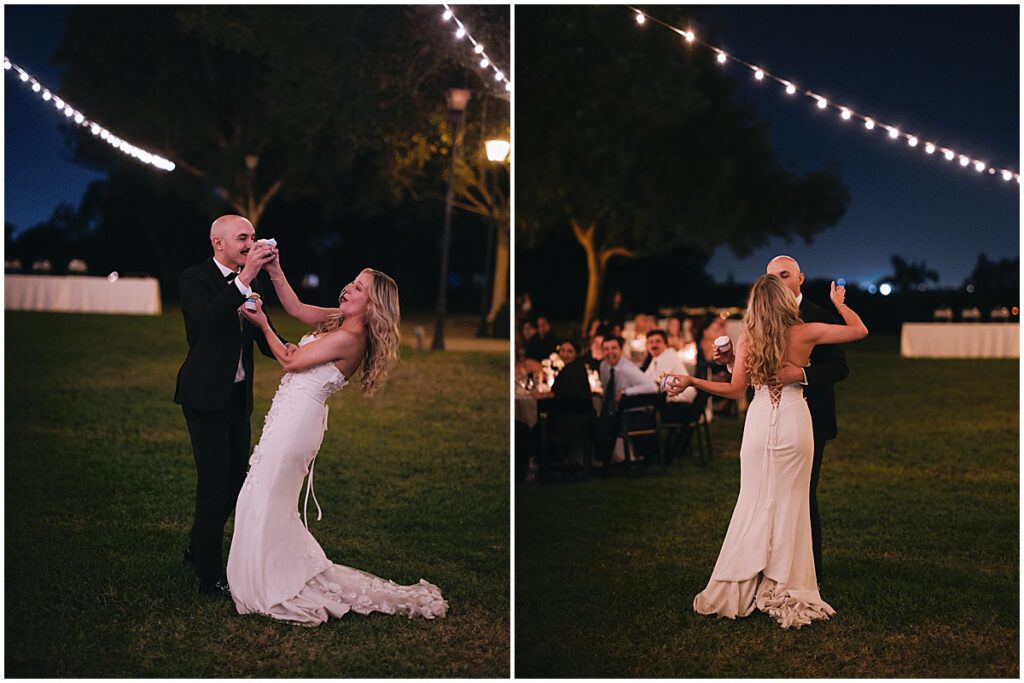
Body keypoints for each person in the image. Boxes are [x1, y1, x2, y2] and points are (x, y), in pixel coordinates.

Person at [228, 255, 448, 626]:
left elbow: (289, 360)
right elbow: (297, 308)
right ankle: (273, 571)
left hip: (298, 423)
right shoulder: (339, 320)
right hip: (287, 415)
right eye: (351, 281)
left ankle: (273, 581)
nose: (348, 288)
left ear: (372, 304)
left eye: (359, 288)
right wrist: (276, 270)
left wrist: (262, 323)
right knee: (261, 494)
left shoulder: (349, 337)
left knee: (266, 497)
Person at [666, 274, 867, 628]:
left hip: (759, 422)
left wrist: (692, 380)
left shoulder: (748, 339)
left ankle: (750, 576)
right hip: (794, 420)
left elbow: (734, 390)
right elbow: (860, 331)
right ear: (786, 301)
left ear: (755, 306)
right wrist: (840, 305)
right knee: (793, 502)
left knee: (755, 498)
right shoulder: (806, 332)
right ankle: (787, 579)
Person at [716, 255, 849, 585]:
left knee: (803, 496)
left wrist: (802, 374)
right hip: (766, 421)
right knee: (765, 494)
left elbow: (839, 367)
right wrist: (731, 360)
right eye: (771, 276)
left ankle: (808, 573)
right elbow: (753, 370)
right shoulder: (760, 319)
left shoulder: (817, 316)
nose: (777, 281)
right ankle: (765, 567)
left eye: (784, 274)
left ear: (800, 278)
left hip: (808, 418)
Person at [174, 215, 287, 598]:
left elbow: (260, 333)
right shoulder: (195, 278)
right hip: (204, 397)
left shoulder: (249, 282)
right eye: (243, 238)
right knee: (214, 484)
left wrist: (299, 353)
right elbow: (207, 320)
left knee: (237, 483)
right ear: (217, 243)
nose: (250, 243)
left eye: (253, 237)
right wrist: (243, 281)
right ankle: (209, 575)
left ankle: (197, 545)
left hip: (237, 400)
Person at [597, 336, 658, 464]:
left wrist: (627, 392)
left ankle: (606, 460)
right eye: (606, 349)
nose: (610, 353)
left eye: (614, 348)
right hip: (617, 412)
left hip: (635, 416)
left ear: (621, 350)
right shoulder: (603, 366)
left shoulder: (627, 368)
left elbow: (652, 387)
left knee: (598, 423)